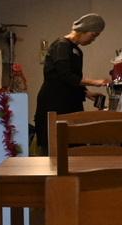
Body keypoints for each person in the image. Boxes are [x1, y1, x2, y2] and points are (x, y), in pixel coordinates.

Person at [33, 13, 110, 154]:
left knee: (74, 146)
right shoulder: (61, 45)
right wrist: (95, 82)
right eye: (93, 35)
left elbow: (74, 79)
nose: (93, 40)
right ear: (83, 30)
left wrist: (86, 93)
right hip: (54, 103)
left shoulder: (77, 51)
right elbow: (65, 75)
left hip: (70, 104)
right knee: (54, 147)